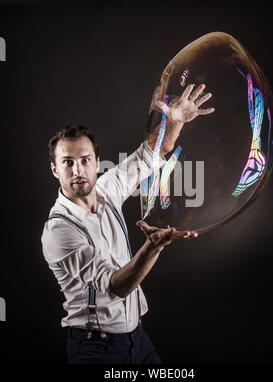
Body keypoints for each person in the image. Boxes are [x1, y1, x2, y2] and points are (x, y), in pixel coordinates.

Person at [41, 83, 214, 364]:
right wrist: (152, 247)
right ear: (54, 169)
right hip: (97, 350)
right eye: (67, 162)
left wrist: (174, 123)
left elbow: (152, 153)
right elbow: (115, 286)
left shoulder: (108, 189)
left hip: (137, 338)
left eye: (85, 160)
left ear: (97, 162)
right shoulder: (59, 230)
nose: (78, 170)